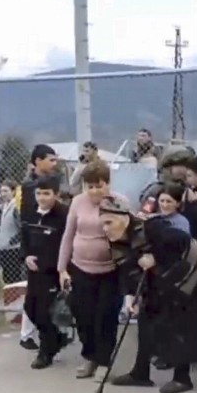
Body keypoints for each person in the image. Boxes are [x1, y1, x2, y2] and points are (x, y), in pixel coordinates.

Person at [100, 196, 197, 393]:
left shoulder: (152, 228)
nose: (105, 228)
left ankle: (182, 378)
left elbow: (183, 241)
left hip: (189, 275)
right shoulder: (117, 244)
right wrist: (132, 297)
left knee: (180, 326)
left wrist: (155, 258)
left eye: (109, 222)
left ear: (124, 219)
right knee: (145, 321)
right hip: (159, 281)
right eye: (102, 224)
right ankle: (140, 373)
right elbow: (127, 271)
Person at [58, 159, 127, 381]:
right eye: (90, 186)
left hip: (111, 271)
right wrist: (62, 269)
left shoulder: (120, 202)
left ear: (108, 184)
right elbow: (68, 236)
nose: (95, 190)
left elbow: (129, 237)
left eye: (99, 185)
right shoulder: (77, 203)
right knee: (84, 315)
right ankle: (90, 356)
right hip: (81, 269)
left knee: (106, 316)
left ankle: (104, 361)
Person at [22, 175, 70, 369]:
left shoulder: (63, 215)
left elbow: (66, 244)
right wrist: (26, 257)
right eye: (39, 193)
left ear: (56, 194)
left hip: (53, 272)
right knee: (30, 308)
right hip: (34, 272)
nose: (42, 198)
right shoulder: (30, 213)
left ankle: (46, 351)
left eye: (46, 193)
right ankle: (56, 338)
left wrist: (60, 267)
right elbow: (24, 238)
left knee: (44, 311)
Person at [17, 144, 60, 349]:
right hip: (37, 245)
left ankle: (44, 334)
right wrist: (28, 251)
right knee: (35, 296)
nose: (55, 163)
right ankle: (30, 335)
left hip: (52, 246)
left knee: (45, 296)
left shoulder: (55, 182)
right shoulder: (29, 187)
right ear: (37, 161)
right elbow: (27, 220)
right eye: (50, 159)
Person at [0, 180, 24, 285]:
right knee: (6, 279)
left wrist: (12, 241)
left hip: (13, 250)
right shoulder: (5, 206)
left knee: (14, 279)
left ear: (13, 192)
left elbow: (21, 227)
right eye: (1, 191)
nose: (3, 194)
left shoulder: (15, 208)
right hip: (4, 248)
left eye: (6, 191)